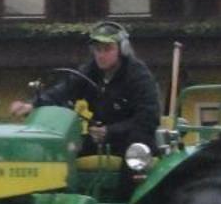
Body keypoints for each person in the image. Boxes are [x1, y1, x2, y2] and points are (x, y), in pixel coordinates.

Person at [9, 20, 162, 155]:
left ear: (123, 50)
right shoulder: (90, 71)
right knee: (64, 150)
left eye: (107, 49)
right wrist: (33, 104)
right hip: (100, 139)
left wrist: (110, 131)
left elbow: (148, 118)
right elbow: (64, 90)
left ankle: (126, 188)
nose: (101, 55)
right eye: (97, 49)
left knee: (134, 155)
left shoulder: (139, 76)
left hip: (132, 139)